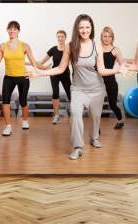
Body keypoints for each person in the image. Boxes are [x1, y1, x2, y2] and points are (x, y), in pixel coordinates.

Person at [32, 14, 125, 159]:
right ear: (77, 28)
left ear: (91, 28)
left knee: (95, 117)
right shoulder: (70, 46)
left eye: (87, 27)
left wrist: (117, 69)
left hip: (97, 90)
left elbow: (101, 70)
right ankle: (77, 147)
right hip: (78, 90)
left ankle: (94, 138)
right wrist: (40, 73)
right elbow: (61, 68)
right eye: (81, 27)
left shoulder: (97, 46)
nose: (84, 30)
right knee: (75, 114)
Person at [0, 20, 45, 136]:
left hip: (22, 77)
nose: (12, 31)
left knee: (23, 100)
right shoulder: (2, 46)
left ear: (18, 31)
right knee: (5, 100)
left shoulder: (24, 45)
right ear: (7, 30)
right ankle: (8, 126)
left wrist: (44, 68)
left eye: (14, 29)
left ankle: (25, 121)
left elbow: (33, 62)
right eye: (10, 28)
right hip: (9, 77)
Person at [34, 30, 71, 124]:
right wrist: (29, 62)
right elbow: (41, 62)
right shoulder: (53, 49)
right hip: (54, 73)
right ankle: (56, 115)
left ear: (65, 38)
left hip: (65, 73)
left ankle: (75, 115)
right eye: (58, 36)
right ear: (57, 38)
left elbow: (72, 61)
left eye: (62, 36)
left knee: (70, 93)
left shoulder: (68, 49)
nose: (60, 38)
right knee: (55, 92)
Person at [100, 26, 125, 129]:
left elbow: (122, 65)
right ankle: (96, 127)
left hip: (110, 80)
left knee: (112, 104)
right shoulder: (98, 48)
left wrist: (121, 69)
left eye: (109, 36)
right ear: (101, 37)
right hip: (98, 81)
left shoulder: (116, 50)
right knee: (96, 105)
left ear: (112, 38)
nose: (107, 38)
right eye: (104, 36)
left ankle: (120, 120)